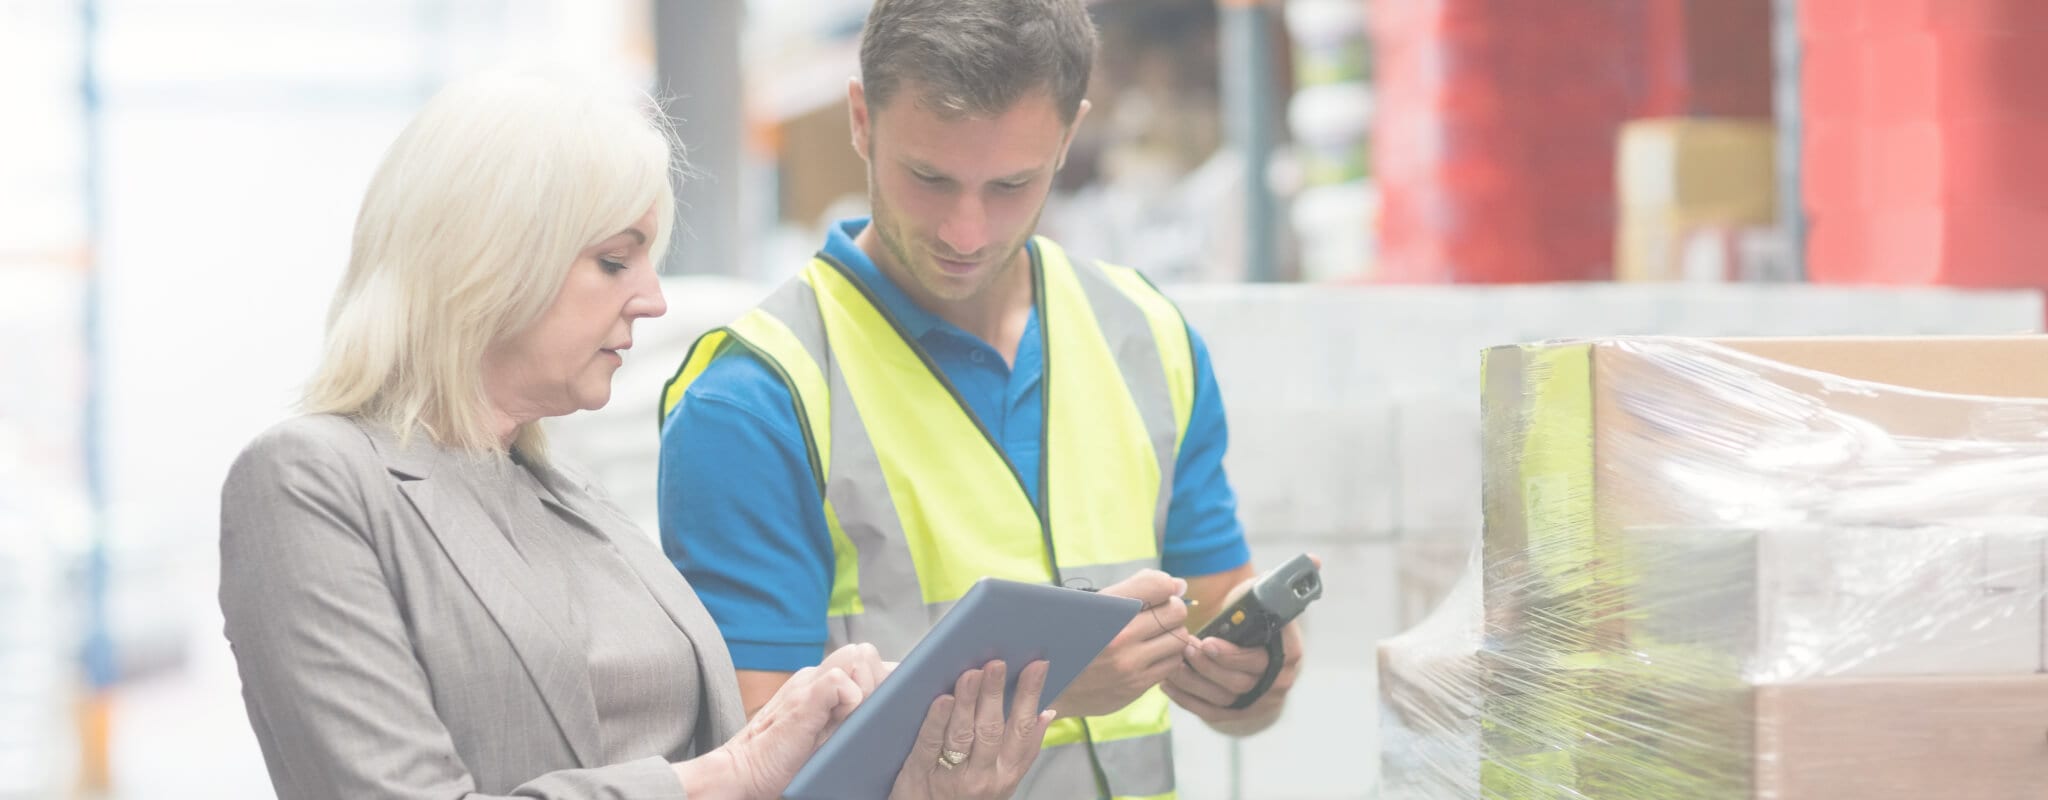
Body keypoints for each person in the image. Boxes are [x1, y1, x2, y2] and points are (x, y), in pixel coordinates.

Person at [218, 68, 1051, 800]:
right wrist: (728, 776)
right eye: (616, 261)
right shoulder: (310, 484)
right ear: (488, 261)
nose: (651, 300)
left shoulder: (566, 497)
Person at [655, 1, 1307, 796]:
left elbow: (1219, 646)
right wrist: (1053, 686)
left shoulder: (1147, 338)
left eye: (1010, 184)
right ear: (862, 119)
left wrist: (1252, 674)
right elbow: (755, 771)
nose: (965, 232)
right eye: (928, 178)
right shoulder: (755, 402)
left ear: (1069, 137)